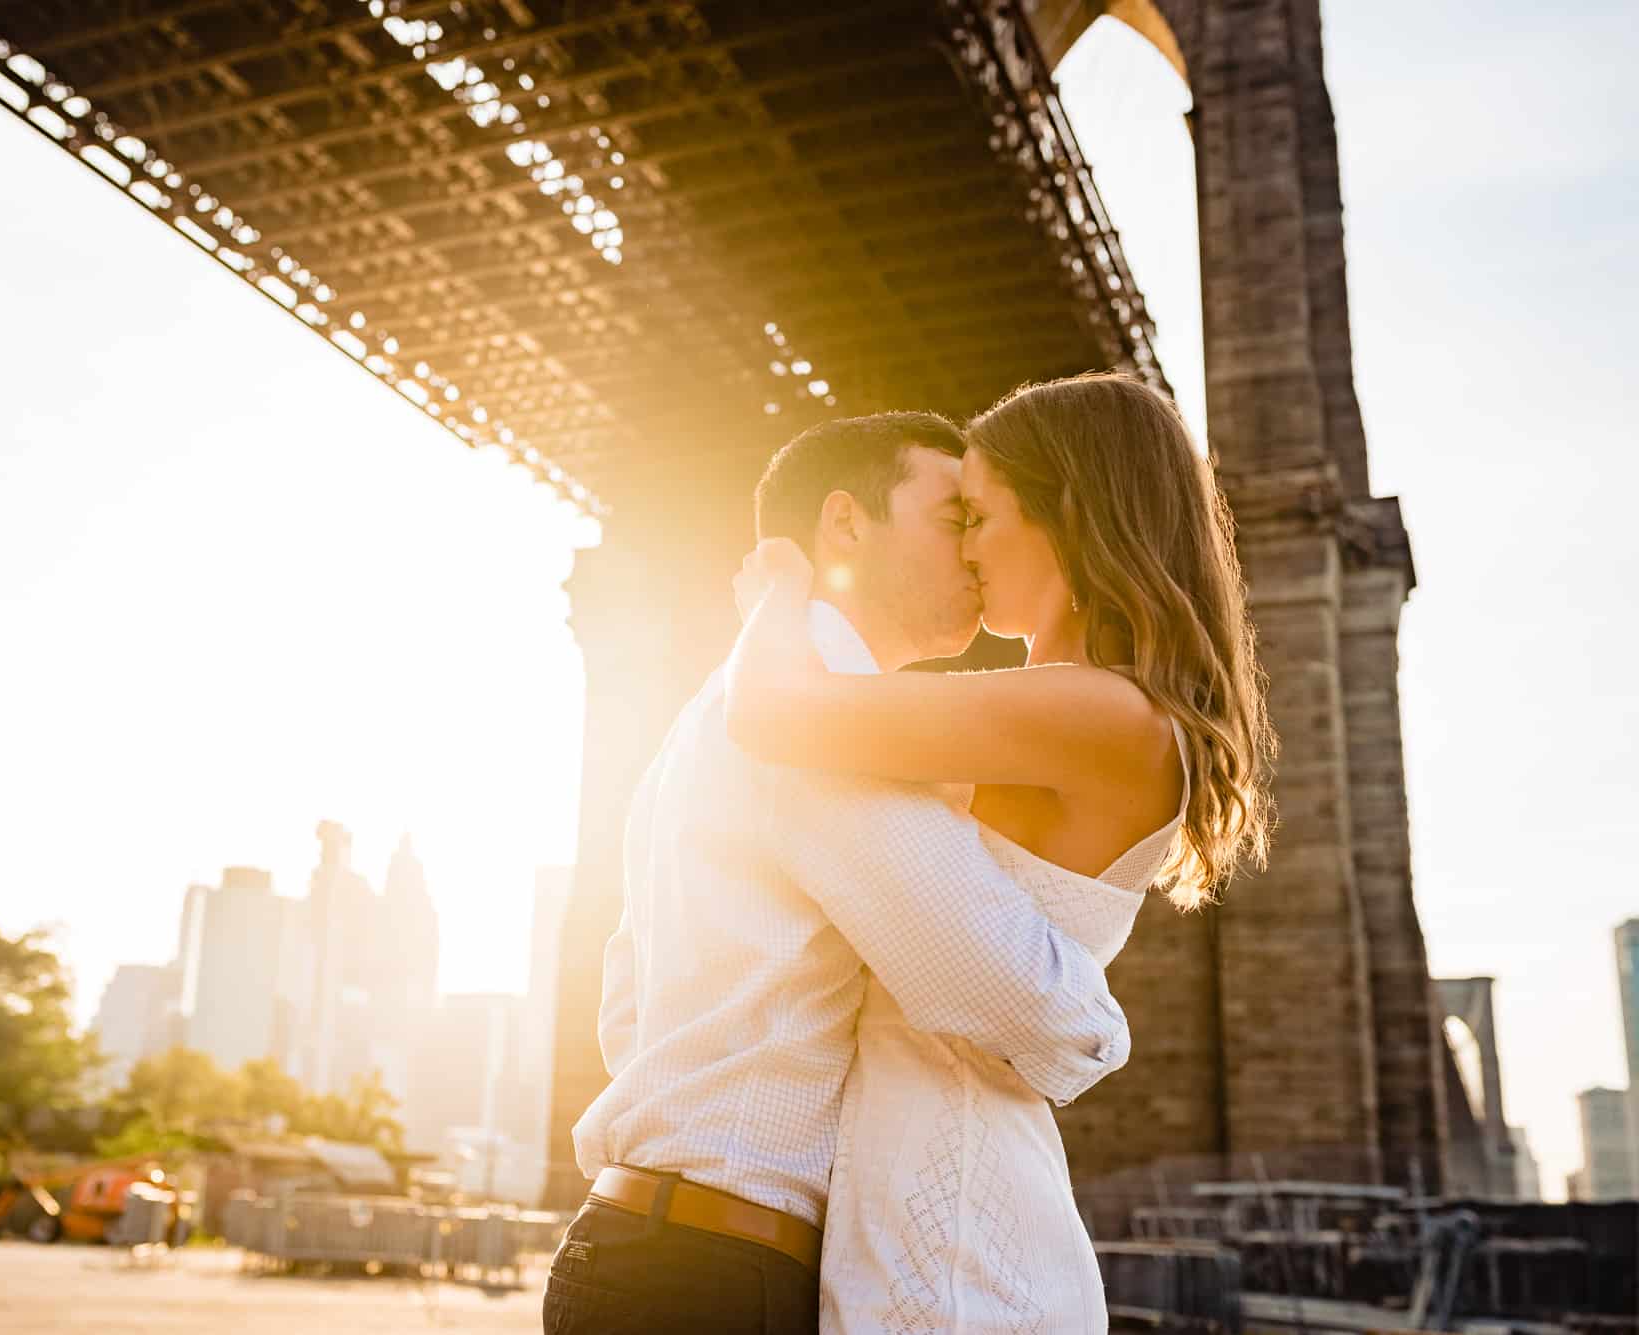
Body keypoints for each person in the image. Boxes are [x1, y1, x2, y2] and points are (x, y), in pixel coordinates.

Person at [546, 410, 1132, 1335]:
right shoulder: (818, 712)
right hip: (717, 1273)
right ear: (846, 524)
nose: (976, 553)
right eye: (953, 520)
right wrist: (1098, 1020)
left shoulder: (712, 711)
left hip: (642, 1244)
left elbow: (627, 1009)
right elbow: (1014, 992)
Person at [726, 373, 1276, 1332]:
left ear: (1062, 510)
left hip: (958, 1242)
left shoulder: (1094, 708)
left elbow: (777, 712)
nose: (965, 548)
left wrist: (779, 583)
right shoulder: (1066, 711)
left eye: (977, 515)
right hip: (929, 1211)